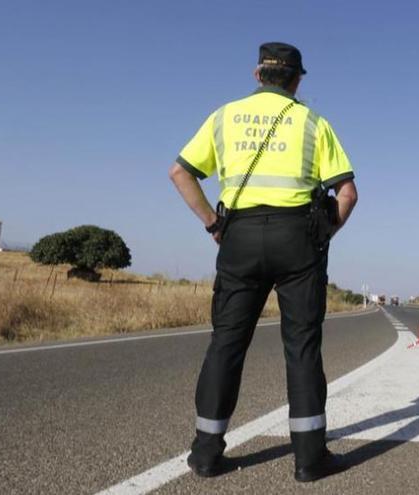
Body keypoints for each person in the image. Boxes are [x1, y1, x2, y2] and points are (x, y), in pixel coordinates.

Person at [168, 41, 358, 482]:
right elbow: (346, 193)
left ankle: (206, 453)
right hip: (299, 241)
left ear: (257, 75)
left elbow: (180, 172)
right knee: (303, 347)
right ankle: (310, 460)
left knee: (227, 344)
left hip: (239, 238)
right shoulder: (313, 122)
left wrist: (213, 225)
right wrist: (324, 235)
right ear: (297, 79)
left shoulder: (223, 117)